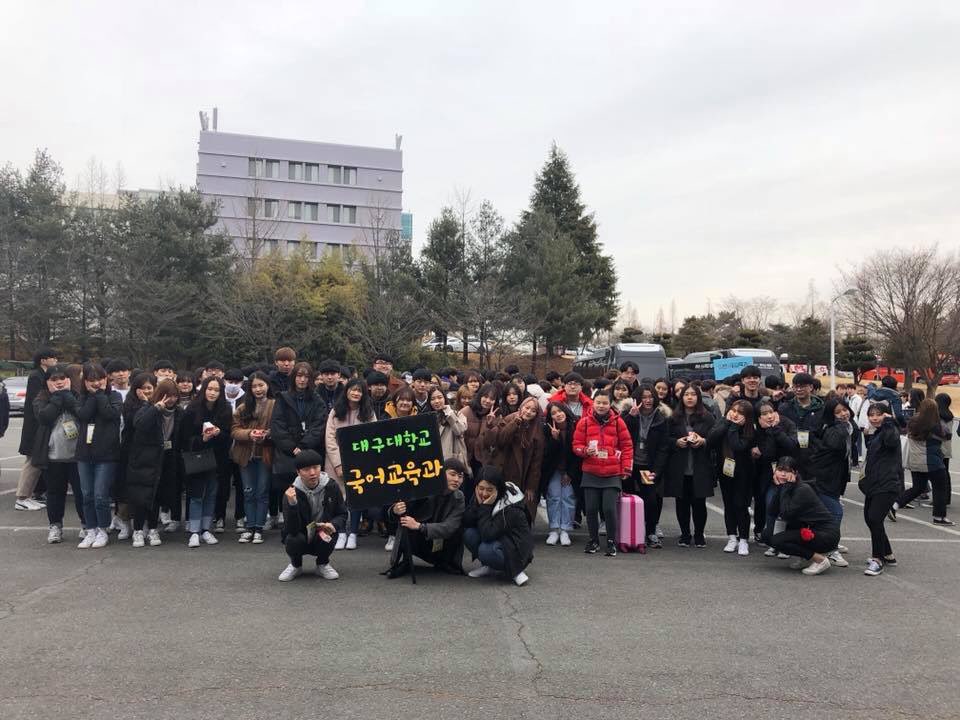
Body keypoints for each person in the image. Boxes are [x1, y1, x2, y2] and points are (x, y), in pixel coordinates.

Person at [572, 391, 633, 557]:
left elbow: (627, 446)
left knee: (609, 509)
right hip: (591, 472)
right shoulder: (584, 422)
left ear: (610, 404)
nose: (601, 406)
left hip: (612, 472)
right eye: (598, 402)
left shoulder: (618, 422)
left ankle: (611, 541)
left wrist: (626, 468)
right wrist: (585, 450)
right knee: (591, 509)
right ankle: (593, 540)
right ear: (593, 403)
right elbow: (576, 445)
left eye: (605, 403)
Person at [269, 362, 328, 531]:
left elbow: (319, 426)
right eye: (299, 376)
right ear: (294, 377)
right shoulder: (282, 398)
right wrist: (292, 447)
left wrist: (303, 446)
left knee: (311, 491)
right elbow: (277, 426)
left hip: (309, 452)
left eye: (306, 376)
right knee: (289, 492)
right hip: (287, 454)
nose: (302, 380)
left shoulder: (317, 400)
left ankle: (310, 528)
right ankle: (291, 528)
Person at [385, 458, 467, 578]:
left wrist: (420, 526)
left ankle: (446, 562)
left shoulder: (459, 497)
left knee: (459, 528)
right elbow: (395, 514)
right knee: (406, 522)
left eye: (460, 476)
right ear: (441, 473)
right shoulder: (424, 488)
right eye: (452, 474)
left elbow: (450, 527)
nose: (456, 480)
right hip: (420, 540)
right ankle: (405, 561)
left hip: (438, 538)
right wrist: (395, 510)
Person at [126, 378, 181, 548]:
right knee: (141, 496)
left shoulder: (179, 412)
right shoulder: (148, 407)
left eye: (174, 396)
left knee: (157, 496)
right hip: (145, 459)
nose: (171, 399)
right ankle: (137, 530)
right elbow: (139, 424)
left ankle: (152, 529)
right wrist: (156, 408)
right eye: (167, 395)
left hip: (165, 459)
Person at [763, 457, 841, 576]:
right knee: (767, 534)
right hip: (810, 528)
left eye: (787, 471)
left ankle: (820, 560)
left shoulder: (802, 489)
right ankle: (806, 558)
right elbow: (772, 512)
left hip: (825, 534)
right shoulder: (786, 486)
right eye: (780, 470)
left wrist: (784, 488)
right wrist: (780, 489)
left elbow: (786, 513)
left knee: (777, 540)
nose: (783, 474)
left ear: (795, 473)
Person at [278, 449, 347, 582]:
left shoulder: (331, 486)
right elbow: (291, 528)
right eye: (306, 469)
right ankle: (295, 565)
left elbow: (342, 513)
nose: (312, 473)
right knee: (293, 538)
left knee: (329, 534)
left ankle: (322, 564)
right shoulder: (291, 492)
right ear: (298, 472)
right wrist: (293, 505)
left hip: (322, 532)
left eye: (316, 467)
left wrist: (333, 524)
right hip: (301, 533)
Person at [324, 378, 377, 550]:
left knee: (356, 497)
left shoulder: (368, 413)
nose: (355, 393)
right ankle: (340, 533)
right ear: (346, 391)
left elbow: (373, 438)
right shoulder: (336, 411)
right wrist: (338, 464)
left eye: (359, 390)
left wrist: (362, 461)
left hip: (359, 462)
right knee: (338, 498)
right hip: (335, 463)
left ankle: (353, 533)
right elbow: (330, 439)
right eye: (353, 389)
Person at [75, 362, 123, 549]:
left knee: (100, 495)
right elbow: (83, 415)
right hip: (84, 454)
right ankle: (91, 529)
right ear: (85, 381)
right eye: (91, 380)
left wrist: (100, 395)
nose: (97, 383)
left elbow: (110, 414)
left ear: (106, 378)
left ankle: (103, 529)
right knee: (86, 494)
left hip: (107, 454)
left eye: (100, 379)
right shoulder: (81, 398)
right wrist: (92, 397)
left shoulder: (114, 396)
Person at [179, 376, 231, 548]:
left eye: (216, 390)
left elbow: (229, 436)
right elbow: (184, 439)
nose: (212, 393)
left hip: (218, 458)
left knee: (211, 494)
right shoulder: (192, 409)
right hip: (197, 458)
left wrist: (218, 433)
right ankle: (194, 531)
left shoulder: (225, 409)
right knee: (196, 495)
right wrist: (202, 439)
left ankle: (206, 529)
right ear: (203, 389)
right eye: (210, 389)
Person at [33, 365, 83, 544]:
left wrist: (68, 397)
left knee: (81, 493)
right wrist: (56, 399)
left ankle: (86, 524)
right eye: (54, 379)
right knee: (55, 493)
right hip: (52, 456)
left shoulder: (78, 396)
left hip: (78, 456)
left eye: (62, 378)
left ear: (69, 380)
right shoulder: (41, 399)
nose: (59, 382)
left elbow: (83, 414)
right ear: (47, 382)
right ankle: (55, 526)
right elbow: (44, 417)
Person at [663, 384, 715, 548]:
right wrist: (676, 442)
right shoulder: (673, 417)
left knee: (699, 503)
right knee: (682, 503)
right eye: (686, 394)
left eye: (693, 394)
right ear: (681, 397)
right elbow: (665, 439)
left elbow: (715, 438)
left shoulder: (707, 416)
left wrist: (703, 441)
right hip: (679, 466)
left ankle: (699, 534)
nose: (690, 397)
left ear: (698, 397)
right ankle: (685, 534)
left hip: (700, 465)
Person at [463, 466, 533, 586]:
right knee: (469, 534)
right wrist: (477, 506)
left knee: (486, 550)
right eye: (481, 488)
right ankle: (488, 566)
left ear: (498, 488)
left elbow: (488, 534)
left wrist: (485, 507)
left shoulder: (510, 504)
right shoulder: (479, 495)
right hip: (497, 540)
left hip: (516, 549)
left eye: (489, 490)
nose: (484, 493)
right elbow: (466, 521)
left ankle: (515, 571)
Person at [622, 383, 670, 548]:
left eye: (650, 397)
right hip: (629, 465)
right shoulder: (628, 414)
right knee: (628, 498)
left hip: (647, 467)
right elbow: (620, 433)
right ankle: (627, 533)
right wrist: (631, 417)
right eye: (644, 397)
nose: (648, 400)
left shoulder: (661, 418)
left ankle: (650, 532)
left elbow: (664, 447)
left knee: (650, 499)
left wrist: (656, 470)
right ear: (637, 399)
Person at [709, 399, 758, 556]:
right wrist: (726, 423)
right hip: (725, 470)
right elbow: (711, 439)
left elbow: (738, 445)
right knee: (728, 505)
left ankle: (743, 539)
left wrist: (734, 427)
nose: (736, 415)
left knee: (740, 505)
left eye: (740, 413)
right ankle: (731, 537)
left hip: (743, 472)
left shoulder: (750, 430)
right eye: (734, 411)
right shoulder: (723, 423)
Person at [484, 396, 545, 524]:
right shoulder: (509, 419)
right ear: (521, 407)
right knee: (500, 504)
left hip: (523, 473)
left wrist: (531, 486)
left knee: (518, 507)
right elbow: (501, 441)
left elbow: (536, 461)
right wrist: (515, 423)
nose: (529, 412)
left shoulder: (537, 428)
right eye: (527, 408)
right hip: (504, 468)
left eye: (533, 410)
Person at [231, 371, 275, 544]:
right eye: (254, 386)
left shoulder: (274, 405)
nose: (258, 389)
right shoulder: (243, 407)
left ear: (267, 385)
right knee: (248, 492)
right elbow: (234, 430)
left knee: (262, 492)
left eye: (261, 385)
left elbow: (279, 427)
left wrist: (267, 434)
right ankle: (249, 526)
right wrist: (249, 434)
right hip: (245, 455)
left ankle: (259, 527)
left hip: (265, 454)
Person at [893, 398, 952, 525]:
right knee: (940, 488)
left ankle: (895, 505)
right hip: (932, 461)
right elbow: (947, 435)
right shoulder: (936, 425)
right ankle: (939, 517)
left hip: (915, 461)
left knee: (918, 487)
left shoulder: (913, 421)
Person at [860, 402, 903, 575]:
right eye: (871, 415)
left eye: (878, 414)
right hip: (874, 483)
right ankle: (888, 554)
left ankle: (877, 559)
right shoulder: (878, 432)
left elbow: (891, 442)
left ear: (886, 415)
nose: (874, 418)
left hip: (887, 483)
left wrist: (889, 421)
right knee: (869, 518)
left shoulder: (890, 430)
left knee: (875, 518)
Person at [15, 347, 59, 511]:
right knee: (32, 462)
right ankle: (22, 498)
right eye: (52, 357)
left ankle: (28, 496)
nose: (55, 360)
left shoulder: (42, 375)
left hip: (39, 425)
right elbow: (36, 402)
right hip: (34, 426)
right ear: (43, 360)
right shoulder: (36, 376)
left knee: (35, 461)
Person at [755, 401, 799, 551]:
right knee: (771, 505)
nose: (769, 416)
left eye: (771, 412)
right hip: (769, 474)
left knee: (786, 508)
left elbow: (791, 445)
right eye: (764, 414)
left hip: (789, 472)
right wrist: (768, 431)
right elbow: (768, 453)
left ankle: (784, 542)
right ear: (758, 418)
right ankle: (773, 541)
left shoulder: (787, 423)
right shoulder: (759, 430)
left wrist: (775, 429)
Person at [541, 402, 578, 546]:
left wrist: (570, 473)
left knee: (568, 497)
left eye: (560, 411)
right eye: (553, 413)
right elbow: (546, 455)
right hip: (553, 470)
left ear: (565, 411)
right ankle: (554, 529)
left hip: (570, 469)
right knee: (554, 497)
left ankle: (565, 529)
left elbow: (576, 455)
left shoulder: (575, 426)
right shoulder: (546, 429)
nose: (558, 415)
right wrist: (554, 440)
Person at [777, 373, 824, 474]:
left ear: (811, 387)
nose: (798, 389)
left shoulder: (821, 409)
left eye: (802, 386)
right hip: (789, 459)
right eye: (795, 386)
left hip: (813, 459)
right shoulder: (784, 408)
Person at [460, 383, 499, 485]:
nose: (488, 401)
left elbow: (491, 443)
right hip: (465, 458)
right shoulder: (466, 411)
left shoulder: (496, 417)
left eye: (492, 399)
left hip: (482, 460)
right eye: (485, 397)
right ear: (480, 396)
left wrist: (489, 425)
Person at [429, 387, 471, 472]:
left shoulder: (456, 414)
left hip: (452, 460)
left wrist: (449, 414)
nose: (437, 401)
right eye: (432, 399)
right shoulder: (427, 417)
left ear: (445, 398)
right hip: (434, 462)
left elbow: (460, 430)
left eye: (440, 397)